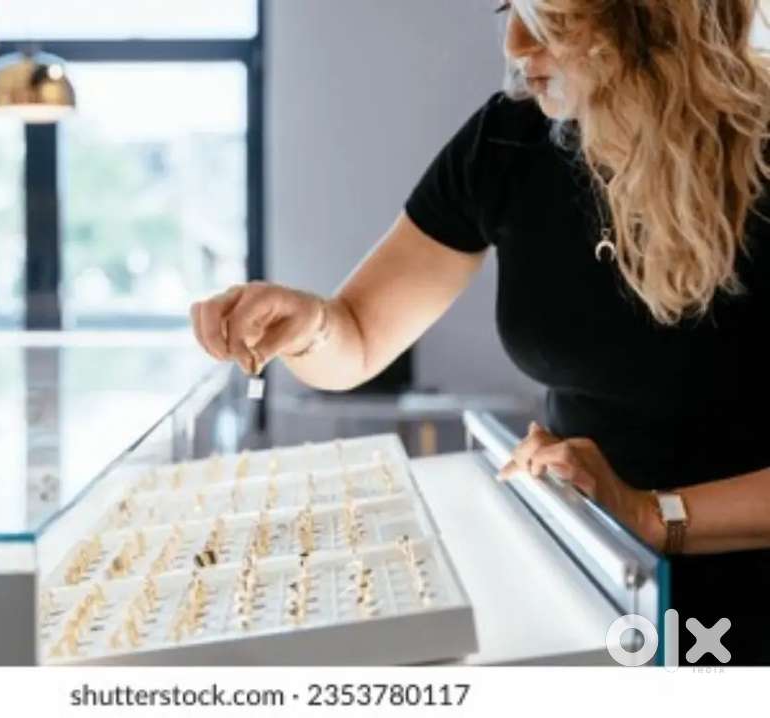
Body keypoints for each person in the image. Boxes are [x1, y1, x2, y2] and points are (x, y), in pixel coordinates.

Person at [190, 0, 770, 664]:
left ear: (656, 21)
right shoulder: (510, 141)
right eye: (509, 9)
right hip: (596, 580)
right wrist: (311, 325)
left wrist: (650, 515)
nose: (518, 44)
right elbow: (356, 337)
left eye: (552, 19)